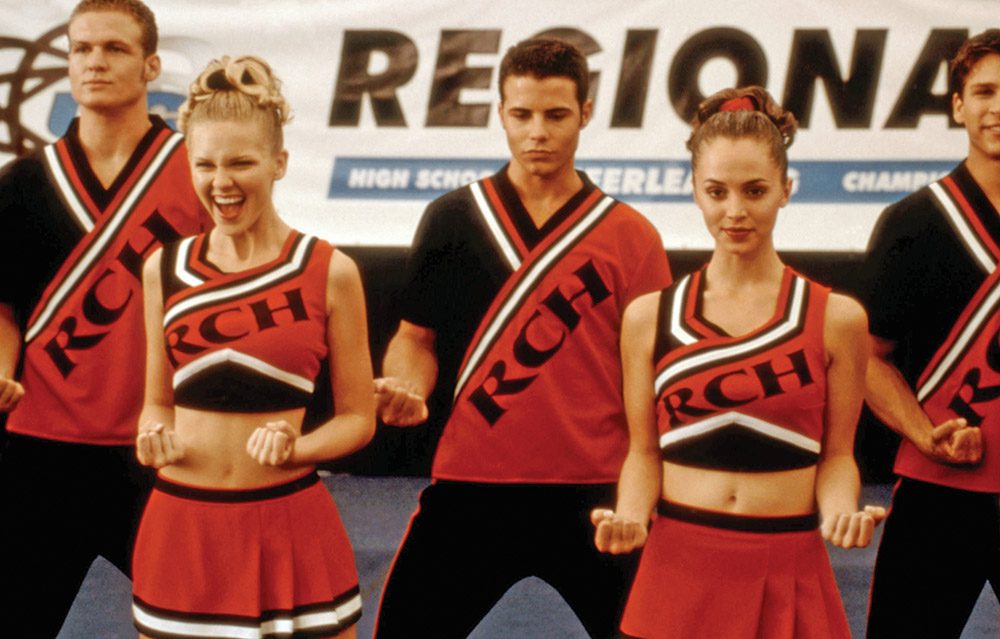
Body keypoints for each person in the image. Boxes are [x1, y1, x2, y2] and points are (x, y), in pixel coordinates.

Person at [372, 38, 672, 638]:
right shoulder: (452, 219)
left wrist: (645, 496)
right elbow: (415, 338)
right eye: (522, 114)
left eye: (556, 115)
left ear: (585, 113)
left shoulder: (631, 236)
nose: (538, 132)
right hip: (471, 487)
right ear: (500, 114)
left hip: (597, 494)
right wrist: (407, 385)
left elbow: (658, 378)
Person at [592, 86, 885, 638]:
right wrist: (629, 515)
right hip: (677, 566)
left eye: (755, 191)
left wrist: (840, 512)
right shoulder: (648, 317)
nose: (735, 211)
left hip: (788, 563)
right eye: (716, 191)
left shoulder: (837, 318)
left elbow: (837, 457)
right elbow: (643, 454)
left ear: (786, 190)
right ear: (695, 193)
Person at [127, 54, 375, 639]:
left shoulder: (330, 270)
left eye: (241, 162)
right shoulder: (163, 268)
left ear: (279, 162)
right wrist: (151, 437)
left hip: (290, 522)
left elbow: (359, 419)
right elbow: (157, 402)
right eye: (206, 164)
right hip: (182, 528)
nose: (222, 182)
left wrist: (299, 449)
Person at [0, 1, 209, 636]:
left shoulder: (200, 174)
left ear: (151, 66)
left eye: (115, 48)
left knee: (199, 622)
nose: (95, 61)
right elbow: (4, 306)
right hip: (39, 451)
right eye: (81, 48)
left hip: (160, 450)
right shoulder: (23, 182)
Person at [861, 29, 1000, 639]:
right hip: (940, 488)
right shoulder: (914, 223)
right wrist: (925, 433)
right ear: (959, 106)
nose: (998, 107)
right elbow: (867, 358)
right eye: (985, 92)